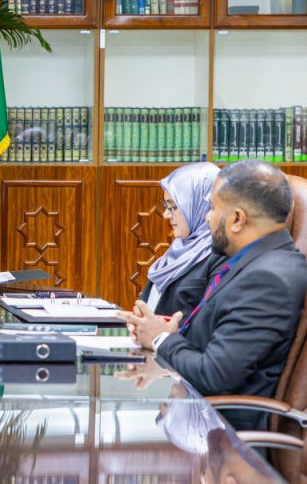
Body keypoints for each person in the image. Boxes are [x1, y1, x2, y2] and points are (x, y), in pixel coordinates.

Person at [122, 159, 307, 430]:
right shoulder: (250, 263)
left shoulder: (267, 278)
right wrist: (171, 331)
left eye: (212, 208)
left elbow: (214, 375)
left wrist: (161, 339)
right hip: (199, 412)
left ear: (237, 219)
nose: (207, 217)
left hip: (226, 436)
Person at [138, 162, 226, 317]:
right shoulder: (179, 247)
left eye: (173, 206)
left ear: (200, 205)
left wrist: (161, 329)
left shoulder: (220, 255)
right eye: (166, 205)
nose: (166, 214)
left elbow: (210, 321)